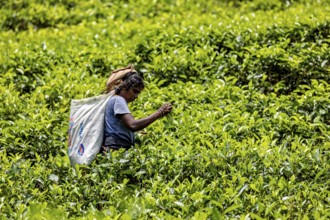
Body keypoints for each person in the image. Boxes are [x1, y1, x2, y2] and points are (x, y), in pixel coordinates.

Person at [102, 65, 172, 153]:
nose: (136, 96)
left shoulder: (113, 100)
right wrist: (159, 113)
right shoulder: (118, 100)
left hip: (116, 146)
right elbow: (133, 125)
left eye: (138, 93)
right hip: (116, 147)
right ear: (123, 87)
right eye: (134, 91)